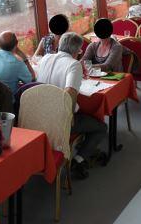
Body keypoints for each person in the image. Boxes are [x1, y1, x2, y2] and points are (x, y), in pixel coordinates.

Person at [37, 32, 107, 179]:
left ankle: (81, 150)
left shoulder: (45, 58)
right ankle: (79, 160)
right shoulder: (73, 64)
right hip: (58, 120)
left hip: (39, 116)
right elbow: (70, 93)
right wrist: (69, 116)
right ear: (77, 51)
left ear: (59, 45)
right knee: (101, 127)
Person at [0, 31, 35, 100]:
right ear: (16, 44)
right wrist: (25, 60)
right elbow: (32, 79)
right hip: (9, 104)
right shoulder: (17, 63)